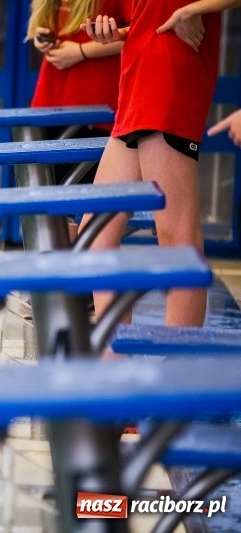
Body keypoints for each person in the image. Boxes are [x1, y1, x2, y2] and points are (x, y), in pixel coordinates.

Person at [80, 0, 241, 327]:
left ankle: (179, 366)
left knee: (177, 243)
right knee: (96, 234)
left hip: (169, 80)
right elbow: (142, 18)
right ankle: (116, 356)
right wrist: (107, 31)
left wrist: (197, 9)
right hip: (135, 84)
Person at [27, 0, 133, 184]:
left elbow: (142, 31)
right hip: (50, 97)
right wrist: (41, 37)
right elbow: (45, 23)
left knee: (85, 197)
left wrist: (82, 51)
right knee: (48, 195)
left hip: (95, 104)